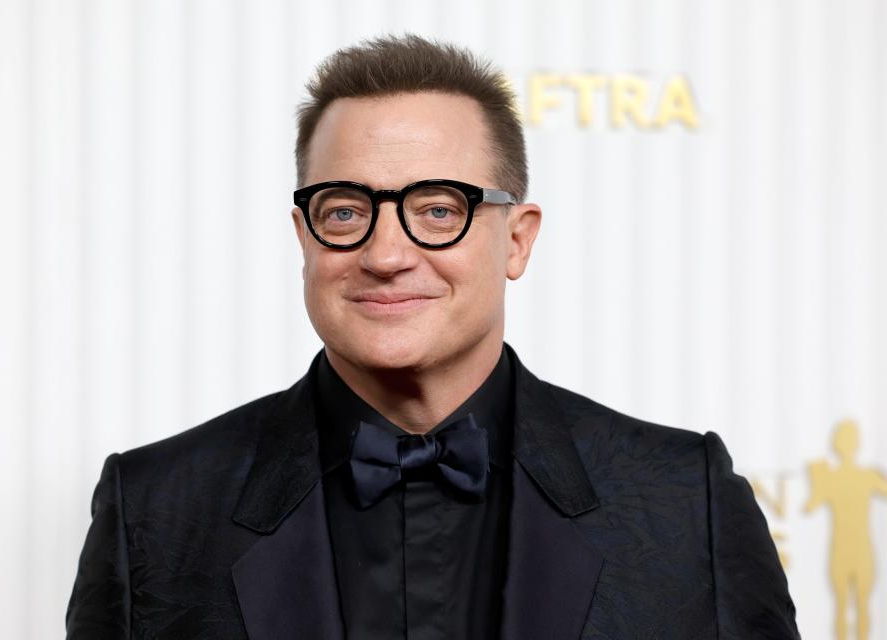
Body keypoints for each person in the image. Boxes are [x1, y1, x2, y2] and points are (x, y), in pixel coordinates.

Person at [66, 34, 799, 639]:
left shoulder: (684, 499)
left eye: (439, 209)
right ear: (305, 237)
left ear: (517, 239)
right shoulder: (155, 510)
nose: (386, 255)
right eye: (347, 211)